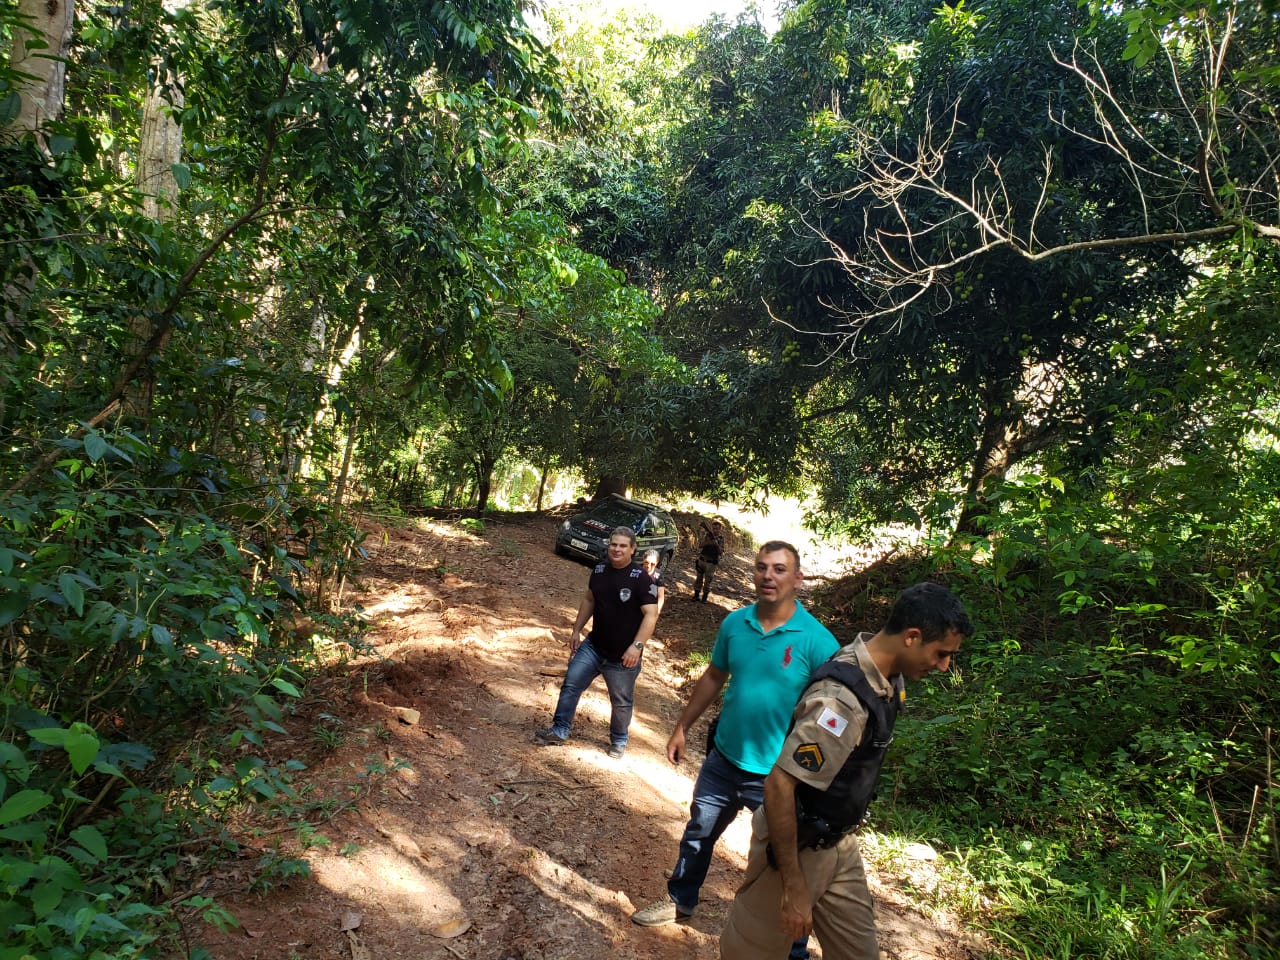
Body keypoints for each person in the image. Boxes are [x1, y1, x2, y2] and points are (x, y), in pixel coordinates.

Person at [718, 582, 974, 960]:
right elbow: (779, 785)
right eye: (941, 654)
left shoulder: (886, 676)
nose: (943, 666)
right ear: (911, 637)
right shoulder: (840, 703)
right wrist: (793, 885)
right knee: (749, 953)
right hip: (795, 846)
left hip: (840, 843)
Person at [632, 541, 839, 960]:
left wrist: (816, 774)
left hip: (779, 778)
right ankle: (681, 899)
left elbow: (832, 714)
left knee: (784, 861)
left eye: (779, 569)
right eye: (761, 567)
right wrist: (682, 727)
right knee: (698, 833)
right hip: (724, 759)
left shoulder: (819, 642)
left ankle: (793, 946)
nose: (768, 576)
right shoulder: (735, 623)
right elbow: (714, 676)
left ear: (798, 579)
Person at [534, 527, 659, 759]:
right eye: (613, 544)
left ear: (633, 549)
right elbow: (589, 599)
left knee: (620, 701)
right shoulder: (600, 570)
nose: (617, 549)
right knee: (572, 683)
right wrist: (576, 630)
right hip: (594, 645)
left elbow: (651, 615)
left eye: (623, 546)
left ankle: (619, 740)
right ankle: (559, 730)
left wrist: (637, 646)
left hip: (623, 655)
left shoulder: (641, 578)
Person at [692, 518, 726, 602]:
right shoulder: (707, 535)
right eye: (714, 528)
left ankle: (704, 598)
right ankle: (696, 596)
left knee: (708, 581)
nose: (715, 530)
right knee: (699, 579)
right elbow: (700, 545)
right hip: (702, 560)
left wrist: (716, 545)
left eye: (717, 529)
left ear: (720, 529)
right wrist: (708, 543)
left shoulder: (721, 538)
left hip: (711, 563)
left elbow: (721, 552)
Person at [641, 550, 667, 616]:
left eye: (652, 564)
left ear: (657, 563)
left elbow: (661, 596)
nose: (648, 566)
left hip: (651, 605)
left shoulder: (658, 574)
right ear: (643, 560)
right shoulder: (636, 570)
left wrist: (658, 610)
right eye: (646, 562)